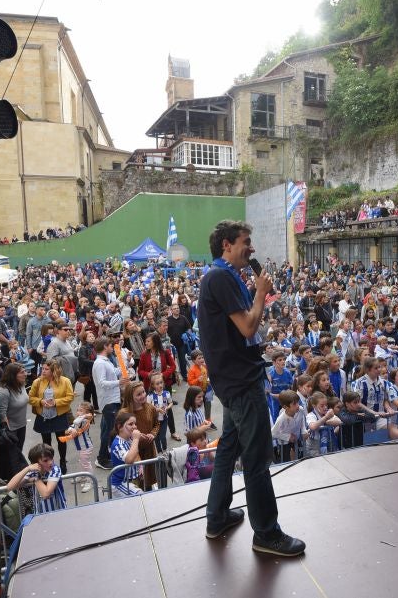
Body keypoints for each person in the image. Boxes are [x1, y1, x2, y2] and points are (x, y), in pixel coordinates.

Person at [198, 220, 304, 556]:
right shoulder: (220, 277)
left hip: (233, 379)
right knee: (257, 458)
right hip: (242, 383)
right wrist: (260, 293)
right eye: (247, 242)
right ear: (227, 245)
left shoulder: (223, 276)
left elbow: (243, 329)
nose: (252, 248)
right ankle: (267, 534)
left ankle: (216, 517)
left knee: (229, 447)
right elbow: (247, 327)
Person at [28, 360, 74, 473]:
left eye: (46, 369)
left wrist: (55, 402)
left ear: (54, 371)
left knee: (61, 440)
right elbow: (30, 398)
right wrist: (41, 401)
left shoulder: (65, 381)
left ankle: (63, 461)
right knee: (46, 442)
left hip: (59, 415)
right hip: (43, 416)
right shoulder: (37, 382)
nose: (43, 371)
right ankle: (49, 463)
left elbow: (70, 397)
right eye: (42, 368)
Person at [93, 337, 129, 469]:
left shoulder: (104, 361)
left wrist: (127, 362)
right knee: (109, 431)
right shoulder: (100, 363)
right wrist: (119, 382)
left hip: (111, 399)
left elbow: (114, 372)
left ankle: (105, 456)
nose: (112, 348)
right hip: (108, 401)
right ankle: (102, 458)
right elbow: (102, 383)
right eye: (110, 345)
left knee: (106, 430)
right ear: (105, 347)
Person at [120, 380, 159, 490]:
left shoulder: (150, 408)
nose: (143, 396)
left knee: (149, 477)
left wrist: (152, 434)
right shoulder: (124, 413)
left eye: (143, 392)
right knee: (137, 479)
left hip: (149, 449)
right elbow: (120, 430)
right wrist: (134, 436)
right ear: (130, 397)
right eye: (138, 394)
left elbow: (156, 424)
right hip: (133, 450)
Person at [6, 443, 67, 513]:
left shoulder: (55, 469)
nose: (50, 462)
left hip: (58, 511)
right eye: (45, 460)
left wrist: (36, 479)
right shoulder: (33, 471)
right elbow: (9, 487)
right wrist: (27, 468)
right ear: (36, 463)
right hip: (40, 514)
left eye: (51, 458)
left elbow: (46, 494)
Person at [0, 363, 30, 480]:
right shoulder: (3, 391)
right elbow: (2, 413)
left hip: (22, 426)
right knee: (14, 458)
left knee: (19, 453)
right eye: (22, 372)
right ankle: (15, 483)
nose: (25, 374)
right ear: (13, 375)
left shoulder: (21, 385)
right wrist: (8, 432)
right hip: (11, 430)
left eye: (25, 371)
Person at [59, 401, 95, 493]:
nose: (78, 412)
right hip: (81, 447)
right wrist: (71, 430)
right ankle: (83, 475)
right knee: (82, 462)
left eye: (81, 410)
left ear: (87, 413)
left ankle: (89, 480)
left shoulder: (84, 420)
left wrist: (82, 416)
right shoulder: (80, 420)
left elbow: (75, 421)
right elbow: (70, 427)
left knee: (86, 463)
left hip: (86, 447)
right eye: (77, 410)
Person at [108, 411, 143, 497]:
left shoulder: (129, 439)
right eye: (131, 424)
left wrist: (140, 465)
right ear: (120, 427)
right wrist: (136, 439)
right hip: (120, 484)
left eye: (135, 424)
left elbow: (135, 453)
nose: (134, 427)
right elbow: (129, 459)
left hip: (131, 480)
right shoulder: (118, 444)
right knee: (139, 495)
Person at [271, 390, 308, 462]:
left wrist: (304, 431)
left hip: (297, 440)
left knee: (301, 459)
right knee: (287, 462)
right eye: (294, 404)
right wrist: (287, 437)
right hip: (284, 443)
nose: (297, 405)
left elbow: (302, 420)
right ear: (285, 407)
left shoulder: (300, 410)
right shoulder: (281, 418)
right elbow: (273, 433)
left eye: (297, 402)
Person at [147, 372, 172, 452]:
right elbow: (148, 407)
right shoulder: (150, 396)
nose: (160, 385)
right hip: (154, 420)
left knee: (163, 436)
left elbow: (170, 402)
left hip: (164, 419)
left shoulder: (167, 393)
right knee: (156, 437)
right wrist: (157, 409)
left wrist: (168, 407)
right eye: (157, 384)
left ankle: (165, 450)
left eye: (161, 383)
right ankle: (159, 451)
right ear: (153, 385)